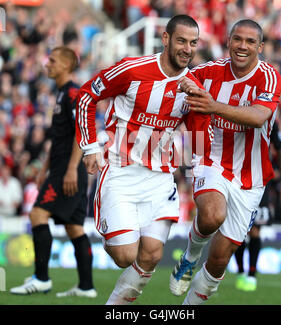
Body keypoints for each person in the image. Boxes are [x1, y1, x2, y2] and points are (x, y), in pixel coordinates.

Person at [75, 15, 211, 305]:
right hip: (121, 171)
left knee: (151, 255)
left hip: (160, 177)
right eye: (181, 41)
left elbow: (200, 137)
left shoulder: (194, 85)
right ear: (165, 39)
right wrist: (89, 148)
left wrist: (200, 102)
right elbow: (87, 96)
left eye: (193, 43)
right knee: (125, 256)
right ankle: (113, 232)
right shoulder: (132, 69)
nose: (187, 48)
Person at [169, 19, 281, 304]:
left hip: (251, 177)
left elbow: (258, 116)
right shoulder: (207, 72)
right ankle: (190, 255)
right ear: (229, 41)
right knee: (212, 215)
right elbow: (175, 86)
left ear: (260, 46)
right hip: (212, 158)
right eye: (237, 39)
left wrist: (213, 106)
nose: (242, 46)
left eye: (249, 41)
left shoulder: (269, 77)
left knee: (219, 260)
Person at [10, 47, 97, 298]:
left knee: (37, 214)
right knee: (74, 228)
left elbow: (81, 132)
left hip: (67, 172)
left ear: (67, 66)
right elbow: (60, 138)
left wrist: (70, 169)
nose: (47, 64)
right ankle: (86, 287)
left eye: (53, 60)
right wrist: (44, 168)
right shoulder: (61, 94)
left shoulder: (72, 94)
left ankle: (41, 279)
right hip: (59, 169)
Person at [235, 121, 281, 291]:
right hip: (234, 177)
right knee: (238, 229)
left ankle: (251, 276)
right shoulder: (234, 113)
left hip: (260, 181)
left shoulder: (270, 120)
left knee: (255, 229)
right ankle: (240, 271)